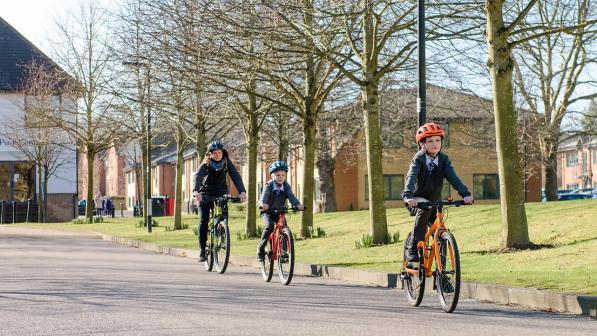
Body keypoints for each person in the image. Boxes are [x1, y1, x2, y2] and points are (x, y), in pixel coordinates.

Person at [402, 122, 473, 262]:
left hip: (435, 201)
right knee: (426, 206)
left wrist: (465, 194)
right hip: (416, 199)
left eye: (437, 140)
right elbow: (411, 177)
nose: (435, 144)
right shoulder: (418, 159)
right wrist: (407, 196)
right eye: (430, 141)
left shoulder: (444, 160)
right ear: (423, 145)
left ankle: (442, 276)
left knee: (440, 233)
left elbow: (454, 178)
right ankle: (413, 245)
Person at [193, 140, 247, 262]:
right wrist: (196, 191)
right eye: (215, 153)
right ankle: (202, 249)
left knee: (223, 216)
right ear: (210, 154)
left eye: (219, 152)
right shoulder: (206, 164)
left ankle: (222, 234)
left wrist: (242, 191)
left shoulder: (226, 163)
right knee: (204, 220)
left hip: (221, 192)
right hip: (205, 194)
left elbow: (235, 176)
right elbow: (198, 176)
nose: (217, 155)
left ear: (222, 152)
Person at [257, 160, 304, 261]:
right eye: (278, 175)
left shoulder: (286, 186)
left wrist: (298, 205)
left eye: (283, 175)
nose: (281, 177)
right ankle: (260, 249)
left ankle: (284, 253)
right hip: (267, 212)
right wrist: (263, 205)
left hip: (279, 211)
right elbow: (263, 198)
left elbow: (291, 197)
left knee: (284, 228)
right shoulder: (268, 186)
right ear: (272, 176)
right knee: (269, 226)